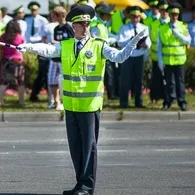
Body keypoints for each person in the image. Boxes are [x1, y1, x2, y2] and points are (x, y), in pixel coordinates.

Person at [18, 5, 145, 195]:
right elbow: (48, 49)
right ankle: (80, 185)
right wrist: (29, 47)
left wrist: (132, 43)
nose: (85, 27)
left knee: (89, 149)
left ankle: (87, 187)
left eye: (87, 24)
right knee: (76, 149)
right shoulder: (66, 45)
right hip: (71, 105)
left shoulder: (99, 45)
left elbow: (119, 56)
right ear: (73, 26)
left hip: (90, 106)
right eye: (81, 24)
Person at [157, 3, 191, 111]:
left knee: (180, 82)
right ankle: (168, 101)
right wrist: (160, 61)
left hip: (179, 60)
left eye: (176, 14)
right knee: (168, 83)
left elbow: (188, 41)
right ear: (169, 14)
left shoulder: (183, 26)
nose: (174, 16)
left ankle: (181, 102)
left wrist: (177, 34)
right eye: (172, 14)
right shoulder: (162, 28)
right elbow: (159, 46)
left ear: (178, 15)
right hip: (167, 60)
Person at [118, 6, 151, 108]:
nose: (135, 19)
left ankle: (138, 102)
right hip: (128, 57)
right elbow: (119, 42)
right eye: (133, 16)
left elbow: (148, 41)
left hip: (139, 56)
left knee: (138, 80)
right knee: (125, 80)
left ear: (140, 17)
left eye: (137, 16)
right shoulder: (124, 28)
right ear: (130, 17)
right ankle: (123, 102)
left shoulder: (144, 28)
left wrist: (146, 45)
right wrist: (130, 41)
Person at [90, 2, 118, 100]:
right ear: (102, 14)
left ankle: (111, 95)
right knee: (101, 76)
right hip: (98, 55)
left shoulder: (102, 24)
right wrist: (110, 40)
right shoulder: (95, 24)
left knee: (109, 75)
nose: (111, 15)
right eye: (108, 14)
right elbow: (95, 39)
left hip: (104, 54)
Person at [49, 6, 74, 110]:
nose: (52, 17)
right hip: (55, 57)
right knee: (51, 79)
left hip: (64, 58)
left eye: (53, 15)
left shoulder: (68, 27)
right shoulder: (56, 28)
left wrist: (58, 43)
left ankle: (65, 102)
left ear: (59, 15)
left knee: (64, 81)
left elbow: (73, 41)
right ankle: (56, 101)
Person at [25, 1, 49, 102]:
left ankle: (46, 95)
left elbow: (45, 35)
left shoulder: (43, 20)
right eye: (32, 10)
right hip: (29, 45)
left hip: (39, 45)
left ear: (38, 10)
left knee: (43, 72)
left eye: (35, 10)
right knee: (41, 73)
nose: (33, 11)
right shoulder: (27, 19)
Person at [0, 20, 25, 105]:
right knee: (20, 82)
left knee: (4, 82)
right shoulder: (20, 37)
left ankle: (0, 101)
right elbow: (23, 49)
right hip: (18, 61)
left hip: (6, 61)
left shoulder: (3, 37)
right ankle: (21, 101)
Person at [149, 0, 170, 102]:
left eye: (166, 10)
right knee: (156, 78)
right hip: (155, 56)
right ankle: (155, 97)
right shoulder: (154, 24)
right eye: (162, 10)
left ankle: (167, 97)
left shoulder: (171, 23)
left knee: (168, 79)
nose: (164, 12)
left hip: (168, 57)